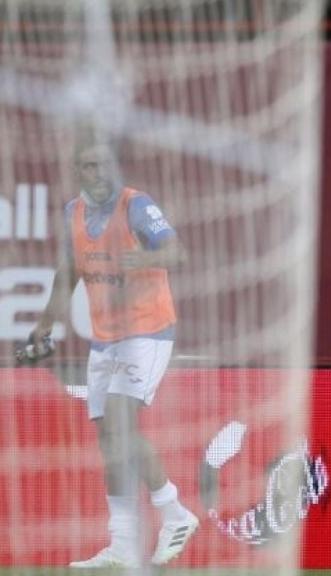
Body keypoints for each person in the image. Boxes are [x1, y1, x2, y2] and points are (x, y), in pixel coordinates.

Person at [29, 136, 198, 568]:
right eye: (89, 167)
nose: (98, 174)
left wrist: (136, 261)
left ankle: (174, 512)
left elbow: (178, 252)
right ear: (77, 172)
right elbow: (68, 271)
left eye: (104, 165)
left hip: (148, 330)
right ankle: (123, 543)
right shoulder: (73, 213)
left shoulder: (137, 205)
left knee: (121, 422)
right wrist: (46, 322)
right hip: (104, 339)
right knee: (110, 441)